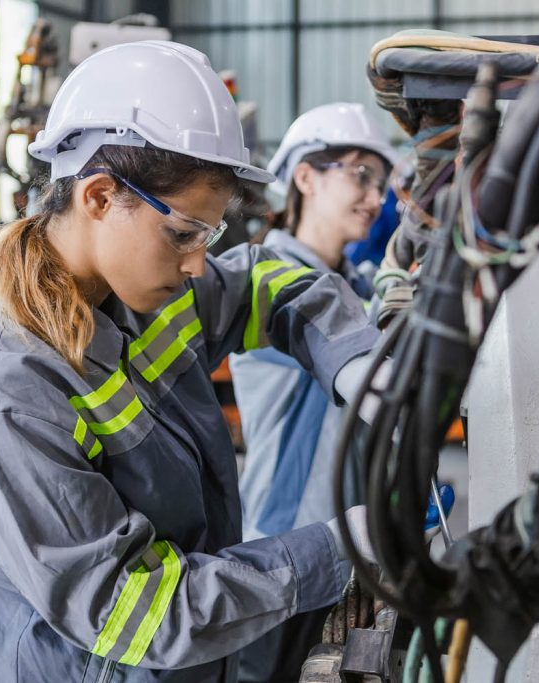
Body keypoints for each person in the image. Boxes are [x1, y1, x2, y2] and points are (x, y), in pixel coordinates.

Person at [0, 41, 378, 682]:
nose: (197, 264)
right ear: (99, 196)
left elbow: (272, 279)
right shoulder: (11, 394)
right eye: (184, 234)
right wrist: (338, 553)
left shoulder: (140, 294)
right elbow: (138, 612)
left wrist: (359, 363)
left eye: (208, 237)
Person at [229, 102, 396, 682]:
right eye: (360, 175)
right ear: (305, 176)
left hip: (344, 547)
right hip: (285, 547)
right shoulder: (268, 281)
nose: (376, 197)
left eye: (382, 182)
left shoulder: (355, 286)